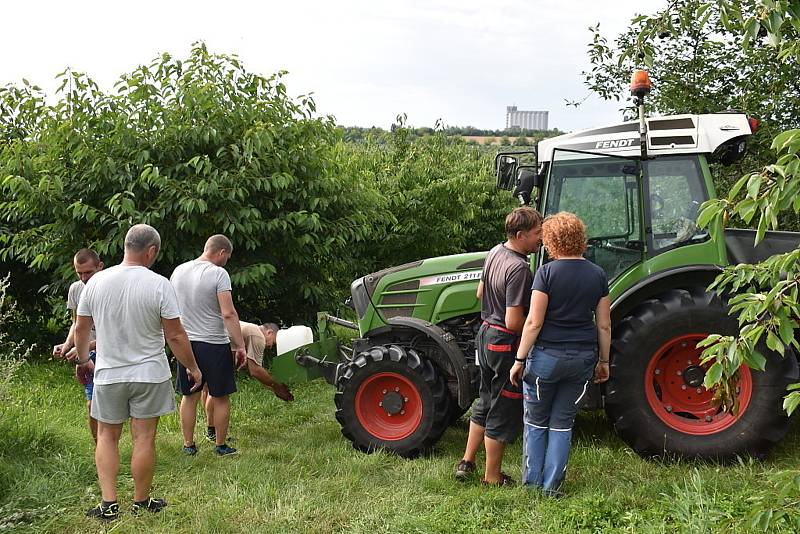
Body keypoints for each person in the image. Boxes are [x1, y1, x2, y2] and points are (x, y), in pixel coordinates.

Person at [75, 224, 202, 521]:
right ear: (152, 250)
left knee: (107, 436)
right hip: (149, 373)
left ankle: (108, 504)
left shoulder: (96, 282)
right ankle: (141, 502)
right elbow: (176, 336)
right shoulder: (159, 284)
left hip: (108, 373)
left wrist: (83, 359)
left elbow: (81, 327)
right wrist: (192, 367)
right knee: (144, 438)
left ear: (125, 246)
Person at [510, 211, 611, 497]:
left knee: (536, 421)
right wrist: (604, 361)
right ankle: (552, 488)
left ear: (551, 240)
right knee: (562, 423)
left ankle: (532, 485)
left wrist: (519, 359)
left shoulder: (546, 273)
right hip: (582, 359)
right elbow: (603, 323)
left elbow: (533, 322)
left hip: (546, 358)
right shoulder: (598, 274)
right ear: (580, 238)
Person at [455, 206, 543, 485]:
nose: (541, 238)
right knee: (503, 406)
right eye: (537, 233)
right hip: (504, 341)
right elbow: (513, 321)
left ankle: (467, 460)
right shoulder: (519, 268)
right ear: (520, 235)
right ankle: (492, 476)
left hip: (484, 335)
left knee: (485, 398)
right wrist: (537, 323)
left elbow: (480, 292)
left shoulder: (495, 251)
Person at [171, 234, 247, 457]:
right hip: (214, 343)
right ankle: (220, 445)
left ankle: (188, 444)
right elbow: (228, 313)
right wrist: (240, 345)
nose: (226, 261)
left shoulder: (179, 271)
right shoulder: (218, 274)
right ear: (222, 252)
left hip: (186, 343)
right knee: (220, 395)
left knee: (189, 396)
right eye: (227, 257)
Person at [52, 249, 104, 443]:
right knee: (92, 404)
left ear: (100, 266)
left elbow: (118, 333)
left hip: (109, 351)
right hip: (87, 353)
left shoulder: (111, 288)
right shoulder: (76, 289)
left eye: (88, 272)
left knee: (113, 404)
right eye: (79, 273)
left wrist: (85, 348)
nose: (83, 277)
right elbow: (77, 323)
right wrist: (66, 345)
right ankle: (98, 446)